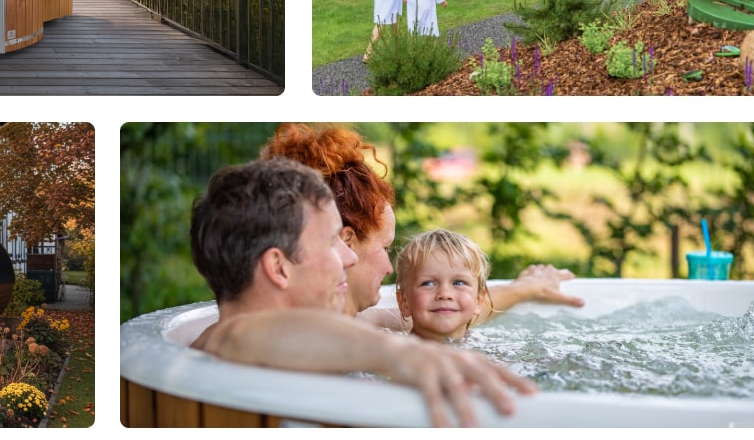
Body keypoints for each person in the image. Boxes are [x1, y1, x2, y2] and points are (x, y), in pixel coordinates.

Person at [189, 157, 536, 428]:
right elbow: (251, 334)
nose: (349, 256)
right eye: (331, 242)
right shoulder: (227, 339)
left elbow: (446, 311)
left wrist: (523, 289)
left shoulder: (329, 338)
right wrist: (400, 353)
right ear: (279, 267)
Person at [259, 123, 585, 332]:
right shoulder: (325, 334)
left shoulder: (359, 323)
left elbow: (449, 314)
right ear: (345, 244)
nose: (389, 267)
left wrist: (524, 288)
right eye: (384, 248)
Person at [394, 229, 491, 342]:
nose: (445, 294)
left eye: (459, 282)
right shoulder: (397, 354)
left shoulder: (485, 347)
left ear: (479, 301)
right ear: (404, 302)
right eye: (428, 283)